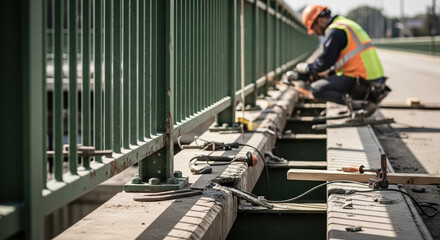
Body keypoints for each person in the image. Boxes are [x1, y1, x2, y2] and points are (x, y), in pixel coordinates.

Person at [293, 4, 390, 115]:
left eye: (314, 29)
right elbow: (337, 62)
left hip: (362, 82)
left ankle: (357, 104)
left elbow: (324, 62)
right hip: (375, 81)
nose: (316, 33)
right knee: (329, 78)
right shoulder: (345, 24)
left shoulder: (335, 31)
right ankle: (358, 102)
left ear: (320, 21)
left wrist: (307, 68)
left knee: (316, 89)